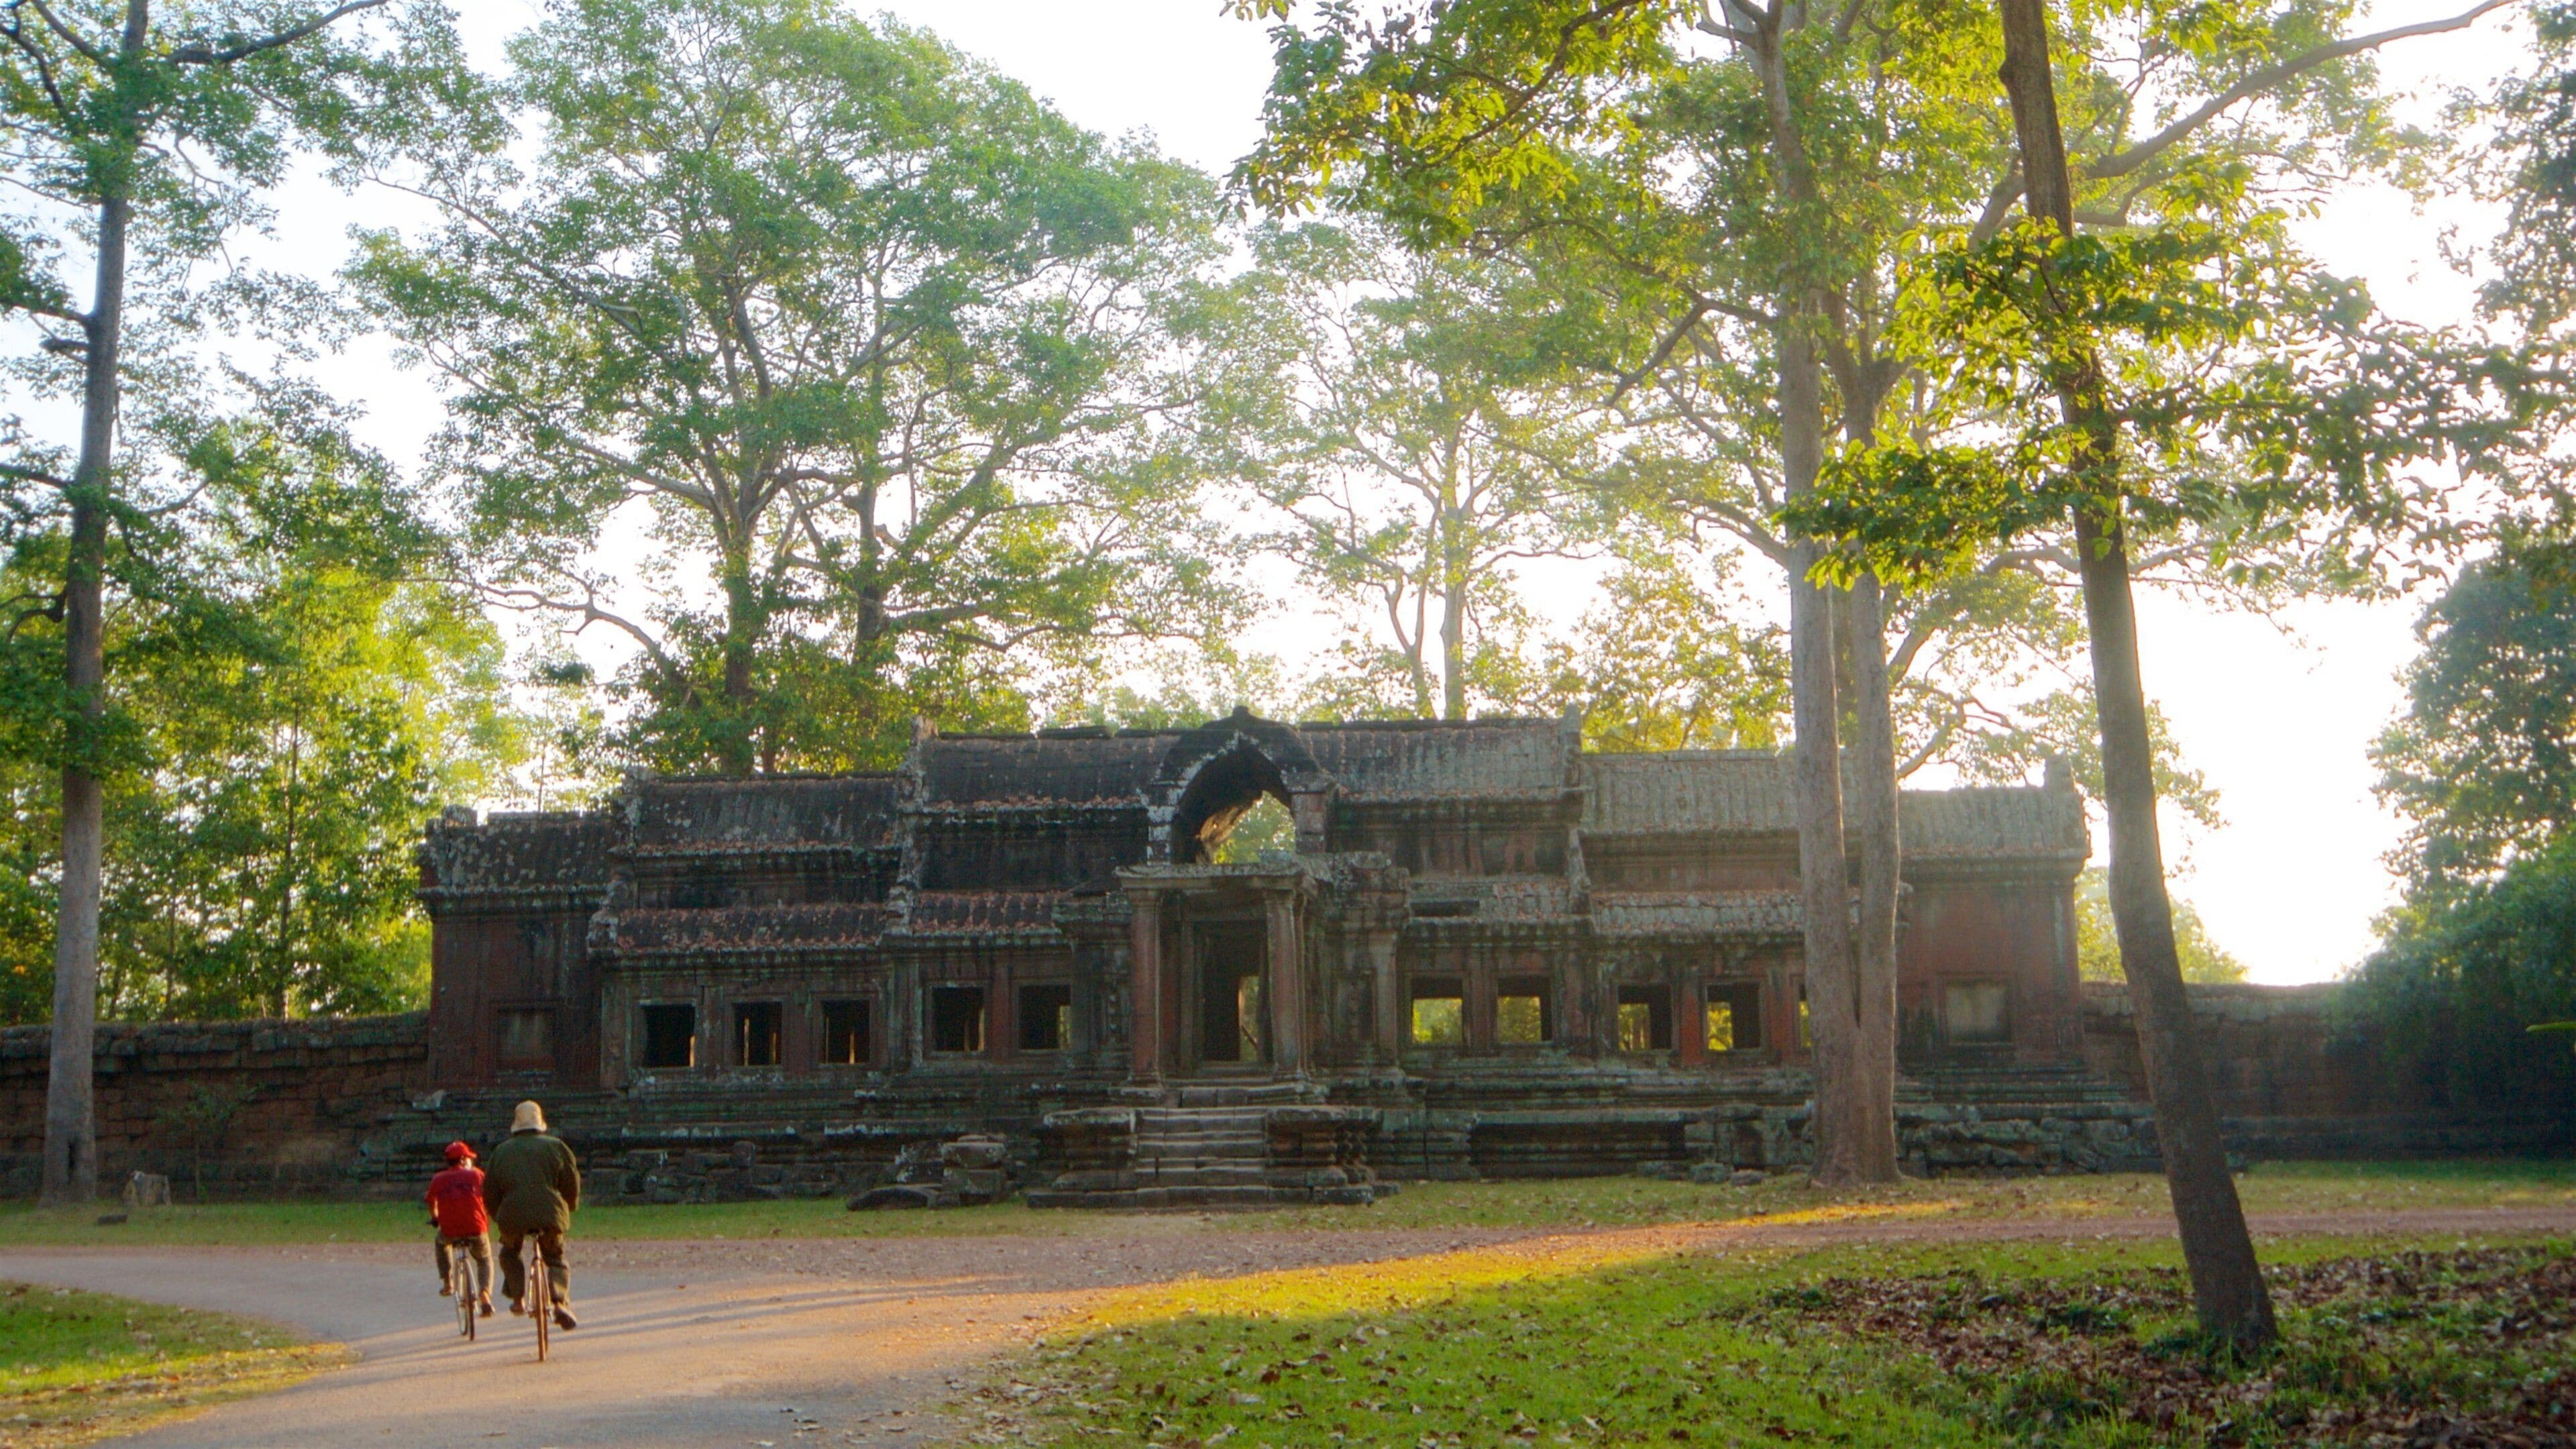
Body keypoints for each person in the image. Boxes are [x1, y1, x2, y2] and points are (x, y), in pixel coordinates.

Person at [482, 1099, 580, 1330]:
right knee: (555, 1257)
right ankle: (559, 1301)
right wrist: (569, 1206)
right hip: (550, 1213)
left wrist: (498, 1217)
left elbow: (490, 1191)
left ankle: (518, 1298)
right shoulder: (557, 1147)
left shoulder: (501, 1152)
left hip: (512, 1215)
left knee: (510, 1252)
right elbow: (571, 1182)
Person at [425, 1140, 493, 1317]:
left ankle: (448, 1281)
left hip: (450, 1230)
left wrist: (435, 1218)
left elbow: (431, 1201)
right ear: (463, 1159)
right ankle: (485, 1294)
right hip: (476, 1228)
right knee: (484, 1259)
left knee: (441, 1243)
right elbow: (488, 1195)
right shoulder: (477, 1175)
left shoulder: (438, 1179)